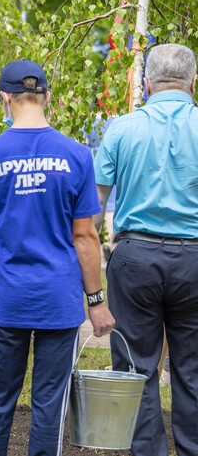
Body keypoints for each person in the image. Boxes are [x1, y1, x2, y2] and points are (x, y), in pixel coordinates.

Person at [0, 59, 115, 455]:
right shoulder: (77, 154)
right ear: (46, 96)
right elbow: (85, 236)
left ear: (4, 98)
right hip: (59, 303)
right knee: (49, 409)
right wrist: (96, 302)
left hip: (9, 301)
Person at [93, 43, 198, 456]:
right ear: (193, 82)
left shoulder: (121, 128)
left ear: (146, 83)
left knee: (136, 368)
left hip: (135, 259)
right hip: (194, 260)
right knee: (193, 370)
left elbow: (92, 206)